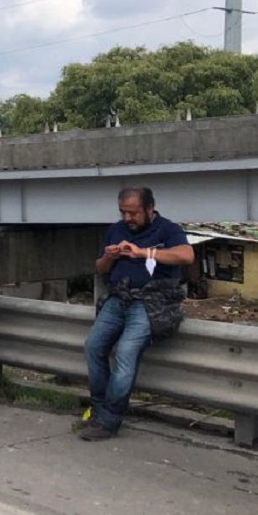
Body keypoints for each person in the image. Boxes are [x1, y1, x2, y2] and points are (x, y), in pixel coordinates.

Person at [81, 186, 193, 442]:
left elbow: (187, 256)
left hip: (150, 301)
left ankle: (109, 420)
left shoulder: (168, 229)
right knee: (93, 346)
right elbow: (99, 267)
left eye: (133, 213)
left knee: (125, 352)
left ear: (149, 209)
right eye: (123, 213)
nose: (128, 219)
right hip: (119, 296)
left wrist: (143, 252)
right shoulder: (116, 229)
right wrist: (110, 257)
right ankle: (98, 411)